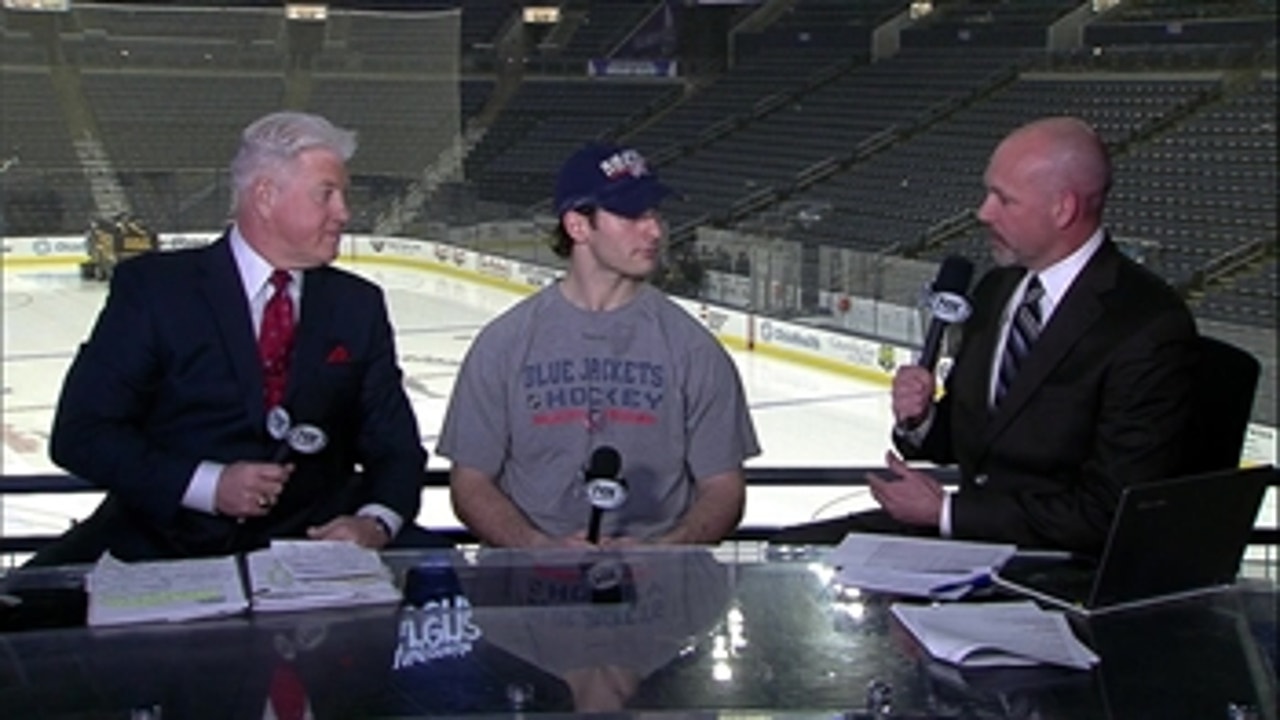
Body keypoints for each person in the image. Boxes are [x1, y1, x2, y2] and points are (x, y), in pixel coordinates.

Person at [772, 116, 1199, 555]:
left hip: (1052, 568)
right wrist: (923, 420)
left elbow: (1109, 511)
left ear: (1063, 209)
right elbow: (967, 442)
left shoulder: (1146, 326)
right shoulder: (998, 289)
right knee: (790, 552)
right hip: (966, 543)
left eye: (1003, 199)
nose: (983, 213)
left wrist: (946, 513)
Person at [29, 111, 433, 565]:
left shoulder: (357, 305)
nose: (344, 212)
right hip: (165, 554)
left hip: (310, 559)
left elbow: (395, 448)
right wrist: (207, 485)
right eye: (327, 195)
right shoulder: (156, 291)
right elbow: (81, 435)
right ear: (265, 195)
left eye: (343, 195)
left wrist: (374, 522)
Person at [436, 143, 760, 547]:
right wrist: (538, 549)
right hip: (528, 596)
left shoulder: (694, 349)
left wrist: (663, 552)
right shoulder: (504, 345)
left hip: (659, 597)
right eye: (631, 214)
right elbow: (471, 483)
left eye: (655, 213)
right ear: (577, 226)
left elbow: (723, 489)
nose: (655, 230)